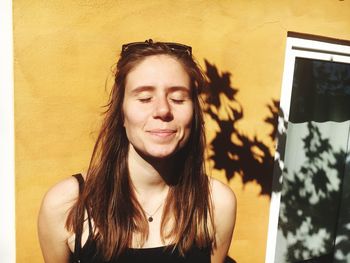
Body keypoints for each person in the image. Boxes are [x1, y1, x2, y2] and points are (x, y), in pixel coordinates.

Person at [38, 39, 236, 263]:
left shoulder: (216, 204)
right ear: (121, 113)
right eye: (144, 98)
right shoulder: (67, 205)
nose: (163, 110)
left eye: (178, 98)